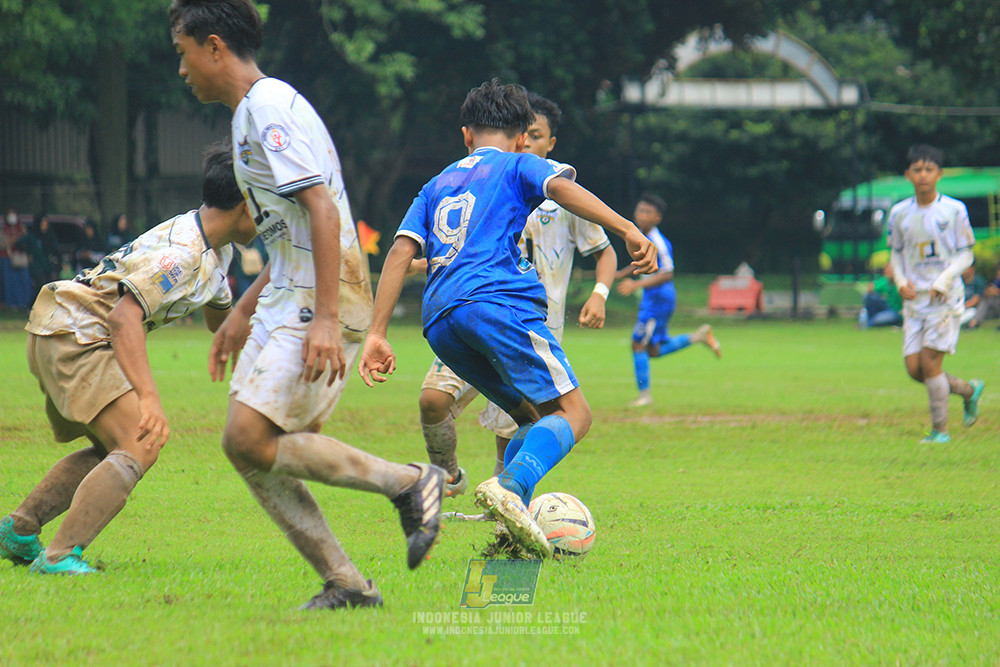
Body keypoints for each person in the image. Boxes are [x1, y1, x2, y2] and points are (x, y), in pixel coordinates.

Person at [170, 0, 444, 611]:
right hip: (289, 295)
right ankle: (346, 583)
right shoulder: (248, 116)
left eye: (183, 54)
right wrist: (242, 311)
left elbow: (323, 209)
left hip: (317, 297)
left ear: (214, 46)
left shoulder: (268, 108)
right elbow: (287, 231)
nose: (181, 70)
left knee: (247, 437)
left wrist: (324, 317)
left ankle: (408, 483)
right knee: (249, 444)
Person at [358, 79, 657, 557]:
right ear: (522, 137)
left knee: (529, 417)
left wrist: (376, 333)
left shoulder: (437, 183)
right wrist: (626, 228)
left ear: (465, 135)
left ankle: (509, 523)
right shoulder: (519, 163)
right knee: (575, 414)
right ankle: (510, 487)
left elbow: (399, 253)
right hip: (497, 304)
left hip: (440, 320)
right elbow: (561, 187)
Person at [0, 142, 256, 575]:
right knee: (140, 441)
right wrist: (150, 398)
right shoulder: (184, 255)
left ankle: (20, 530)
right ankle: (60, 556)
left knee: (111, 448)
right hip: (77, 334)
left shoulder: (217, 252)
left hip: (60, 329)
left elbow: (224, 326)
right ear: (246, 204)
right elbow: (123, 319)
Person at [416, 91, 618, 496]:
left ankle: (505, 496)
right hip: (479, 309)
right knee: (433, 400)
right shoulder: (488, 185)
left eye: (538, 134)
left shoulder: (558, 191)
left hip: (529, 322)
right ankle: (453, 478)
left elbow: (605, 251)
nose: (532, 142)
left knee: (515, 424)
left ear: (546, 143)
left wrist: (599, 293)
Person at [887, 144, 984, 443]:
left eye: (929, 169)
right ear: (908, 175)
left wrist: (944, 278)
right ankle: (968, 390)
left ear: (939, 174)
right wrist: (901, 281)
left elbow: (966, 255)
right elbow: (896, 254)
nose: (923, 175)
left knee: (931, 364)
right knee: (915, 370)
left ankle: (940, 431)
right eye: (917, 170)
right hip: (916, 301)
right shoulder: (899, 213)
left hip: (945, 299)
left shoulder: (953, 210)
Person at [615, 193, 721, 408]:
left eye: (648, 212)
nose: (642, 215)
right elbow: (643, 265)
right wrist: (619, 274)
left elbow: (667, 274)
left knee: (638, 344)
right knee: (652, 350)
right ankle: (698, 336)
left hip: (658, 300)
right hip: (656, 300)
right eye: (640, 210)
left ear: (658, 218)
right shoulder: (642, 236)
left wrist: (635, 285)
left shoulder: (658, 242)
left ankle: (644, 396)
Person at [17, 214, 61, 294]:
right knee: (40, 286)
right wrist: (27, 252)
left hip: (48, 265)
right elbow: (18, 243)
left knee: (50, 286)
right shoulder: (32, 236)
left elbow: (55, 248)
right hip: (37, 266)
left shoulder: (49, 236)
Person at [2, 208, 32, 310]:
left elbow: (27, 242)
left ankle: (25, 302)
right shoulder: (3, 230)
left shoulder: (22, 229)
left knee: (24, 281)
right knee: (10, 282)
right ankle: (12, 303)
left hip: (21, 258)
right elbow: (3, 244)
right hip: (7, 259)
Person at [859, 264, 903, 329]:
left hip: (897, 311)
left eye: (890, 270)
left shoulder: (901, 283)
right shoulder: (885, 281)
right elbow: (871, 287)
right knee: (869, 296)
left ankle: (867, 323)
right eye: (886, 270)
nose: (887, 272)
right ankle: (869, 318)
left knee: (881, 319)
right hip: (887, 307)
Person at [967, 262, 1000, 329]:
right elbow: (987, 291)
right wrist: (989, 292)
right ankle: (974, 323)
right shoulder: (997, 281)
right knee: (986, 300)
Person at [960, 263, 985, 327]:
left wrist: (960, 307)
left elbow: (974, 301)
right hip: (958, 308)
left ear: (972, 269)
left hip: (970, 309)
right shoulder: (959, 282)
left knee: (972, 312)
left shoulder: (978, 281)